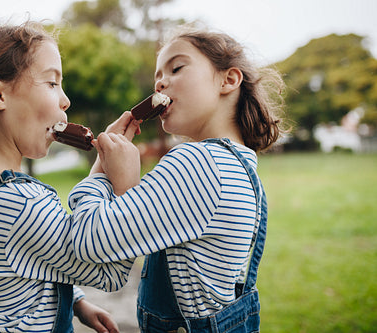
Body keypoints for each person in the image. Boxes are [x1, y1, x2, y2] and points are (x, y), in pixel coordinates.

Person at [69, 25, 285, 332]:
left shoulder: (199, 163)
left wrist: (102, 172)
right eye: (157, 77)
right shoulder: (240, 167)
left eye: (176, 67)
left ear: (229, 80)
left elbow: (89, 241)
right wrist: (127, 188)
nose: (160, 84)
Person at [0, 22, 140, 333]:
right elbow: (109, 273)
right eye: (51, 83)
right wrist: (123, 186)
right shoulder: (23, 204)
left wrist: (75, 301)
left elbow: (27, 259)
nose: (66, 101)